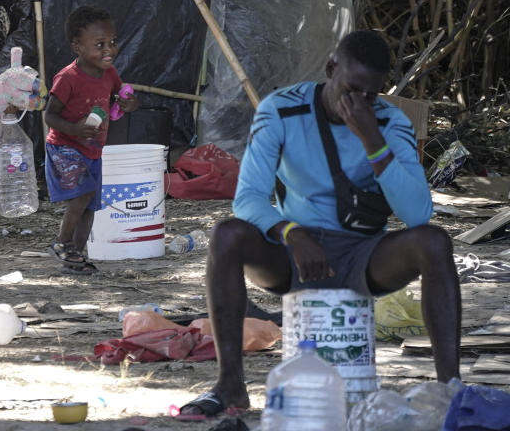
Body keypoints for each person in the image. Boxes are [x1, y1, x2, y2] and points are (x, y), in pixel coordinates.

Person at [175, 30, 460, 420]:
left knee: (434, 242)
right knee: (227, 234)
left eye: (370, 94)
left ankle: (451, 388)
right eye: (350, 88)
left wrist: (372, 140)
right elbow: (248, 199)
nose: (357, 102)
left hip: (365, 255)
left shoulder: (389, 122)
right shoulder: (282, 109)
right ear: (330, 69)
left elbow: (417, 215)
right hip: (293, 253)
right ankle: (230, 385)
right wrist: (290, 233)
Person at [43, 6, 138, 274]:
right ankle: (62, 244)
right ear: (78, 46)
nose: (109, 50)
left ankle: (75, 256)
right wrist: (74, 128)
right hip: (65, 147)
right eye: (99, 45)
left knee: (90, 205)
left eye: (112, 42)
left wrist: (129, 102)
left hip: (92, 150)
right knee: (83, 194)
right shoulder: (67, 78)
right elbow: (50, 115)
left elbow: (122, 97)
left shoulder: (109, 73)